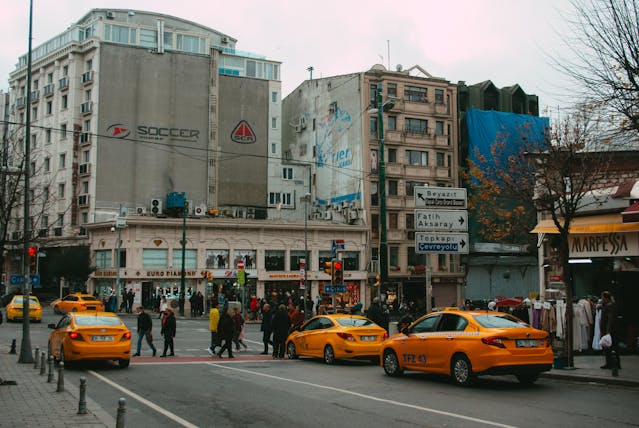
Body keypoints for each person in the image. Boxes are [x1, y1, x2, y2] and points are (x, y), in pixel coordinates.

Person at [600, 291, 621, 370]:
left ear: (605, 298)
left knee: (610, 347)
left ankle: (612, 364)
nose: (601, 299)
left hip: (610, 331)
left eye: (602, 297)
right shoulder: (609, 305)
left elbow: (610, 319)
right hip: (611, 330)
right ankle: (613, 363)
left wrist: (607, 331)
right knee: (612, 347)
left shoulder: (609, 306)